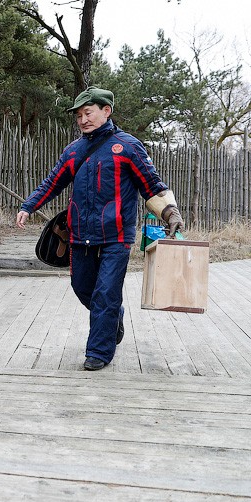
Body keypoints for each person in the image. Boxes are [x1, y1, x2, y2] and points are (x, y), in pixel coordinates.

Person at [16, 86, 184, 371]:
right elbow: (52, 182)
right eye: (79, 115)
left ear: (106, 111)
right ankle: (113, 317)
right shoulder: (73, 151)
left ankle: (98, 352)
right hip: (80, 234)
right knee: (82, 287)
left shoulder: (128, 146)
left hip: (117, 236)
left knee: (106, 291)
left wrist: (171, 213)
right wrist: (28, 206)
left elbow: (151, 185)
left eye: (88, 113)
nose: (83, 120)